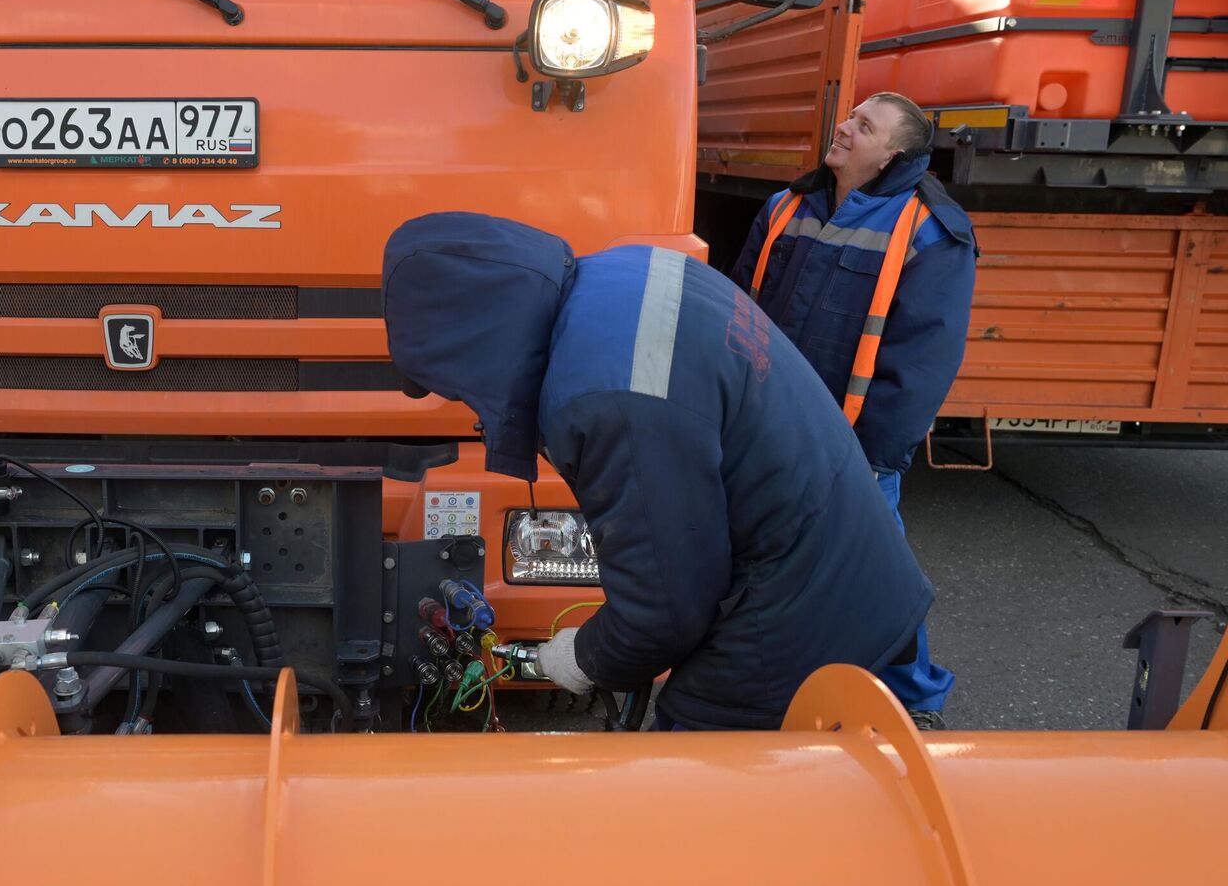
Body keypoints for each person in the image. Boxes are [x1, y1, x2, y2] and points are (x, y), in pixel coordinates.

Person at [382, 212, 934, 731]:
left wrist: (581, 657)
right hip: (837, 544)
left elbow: (664, 615)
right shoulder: (622, 271)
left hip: (808, 597)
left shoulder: (605, 400)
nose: (472, 406)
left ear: (475, 343)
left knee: (692, 762)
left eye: (457, 385)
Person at [729, 93, 976, 729]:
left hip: (854, 447)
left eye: (864, 126)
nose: (843, 128)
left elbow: (921, 364)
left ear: (895, 152)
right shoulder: (786, 207)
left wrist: (872, 459)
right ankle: (767, 684)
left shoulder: (930, 229)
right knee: (753, 558)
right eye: (849, 117)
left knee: (874, 577)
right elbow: (737, 317)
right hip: (767, 428)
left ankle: (912, 700)